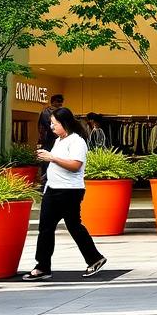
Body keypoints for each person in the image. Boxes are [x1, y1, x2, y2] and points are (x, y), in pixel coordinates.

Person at [23, 107, 107, 282]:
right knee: (46, 228)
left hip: (69, 191)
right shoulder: (59, 141)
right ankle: (43, 266)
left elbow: (75, 165)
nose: (52, 127)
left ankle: (94, 258)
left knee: (73, 226)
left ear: (64, 123)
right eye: (51, 124)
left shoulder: (77, 141)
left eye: (54, 124)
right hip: (53, 189)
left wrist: (51, 158)